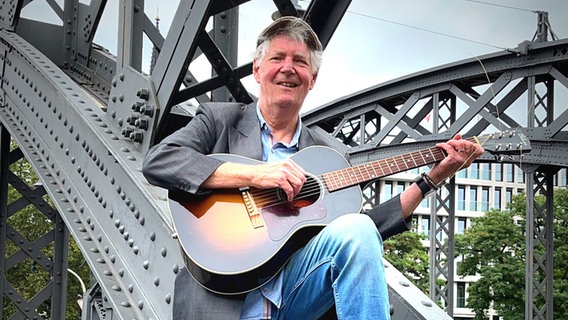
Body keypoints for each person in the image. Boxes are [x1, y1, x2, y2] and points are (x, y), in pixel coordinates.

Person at [142, 16, 484, 320]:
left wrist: (432, 179)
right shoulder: (220, 120)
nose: (288, 68)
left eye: (300, 62)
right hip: (222, 302)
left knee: (357, 230)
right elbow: (160, 161)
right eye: (277, 58)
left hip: (296, 300)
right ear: (258, 71)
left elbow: (362, 234)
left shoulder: (328, 152)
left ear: (313, 78)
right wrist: (255, 174)